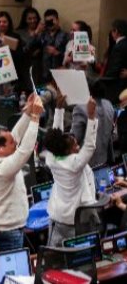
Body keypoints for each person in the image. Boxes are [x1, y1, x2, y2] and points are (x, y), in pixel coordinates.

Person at [0, 94, 42, 251]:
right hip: (8, 233)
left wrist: (27, 113)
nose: (15, 143)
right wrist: (35, 118)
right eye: (11, 144)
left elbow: (14, 135)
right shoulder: (2, 168)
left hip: (7, 228)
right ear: (0, 149)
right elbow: (25, 150)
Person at [42, 97, 98, 246]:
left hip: (57, 218)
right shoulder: (74, 163)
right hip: (75, 221)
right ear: (68, 150)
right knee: (77, 255)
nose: (78, 146)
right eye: (75, 145)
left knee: (55, 257)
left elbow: (56, 135)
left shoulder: (52, 158)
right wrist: (92, 118)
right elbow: (90, 146)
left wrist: (59, 109)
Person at [37, 8, 68, 81]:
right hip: (44, 74)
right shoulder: (42, 35)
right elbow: (28, 48)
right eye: (48, 21)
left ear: (57, 20)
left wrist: (58, 53)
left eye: (52, 20)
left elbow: (71, 56)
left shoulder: (65, 35)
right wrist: (37, 32)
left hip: (60, 74)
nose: (50, 23)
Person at [16, 7, 42, 87]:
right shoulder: (19, 33)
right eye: (29, 19)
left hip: (41, 67)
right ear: (25, 20)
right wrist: (35, 33)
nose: (32, 21)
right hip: (26, 67)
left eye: (34, 18)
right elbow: (23, 50)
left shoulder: (44, 31)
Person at [104, 19, 127, 100]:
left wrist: (102, 81)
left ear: (116, 31)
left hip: (117, 86)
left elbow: (114, 69)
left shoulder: (119, 47)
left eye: (112, 31)